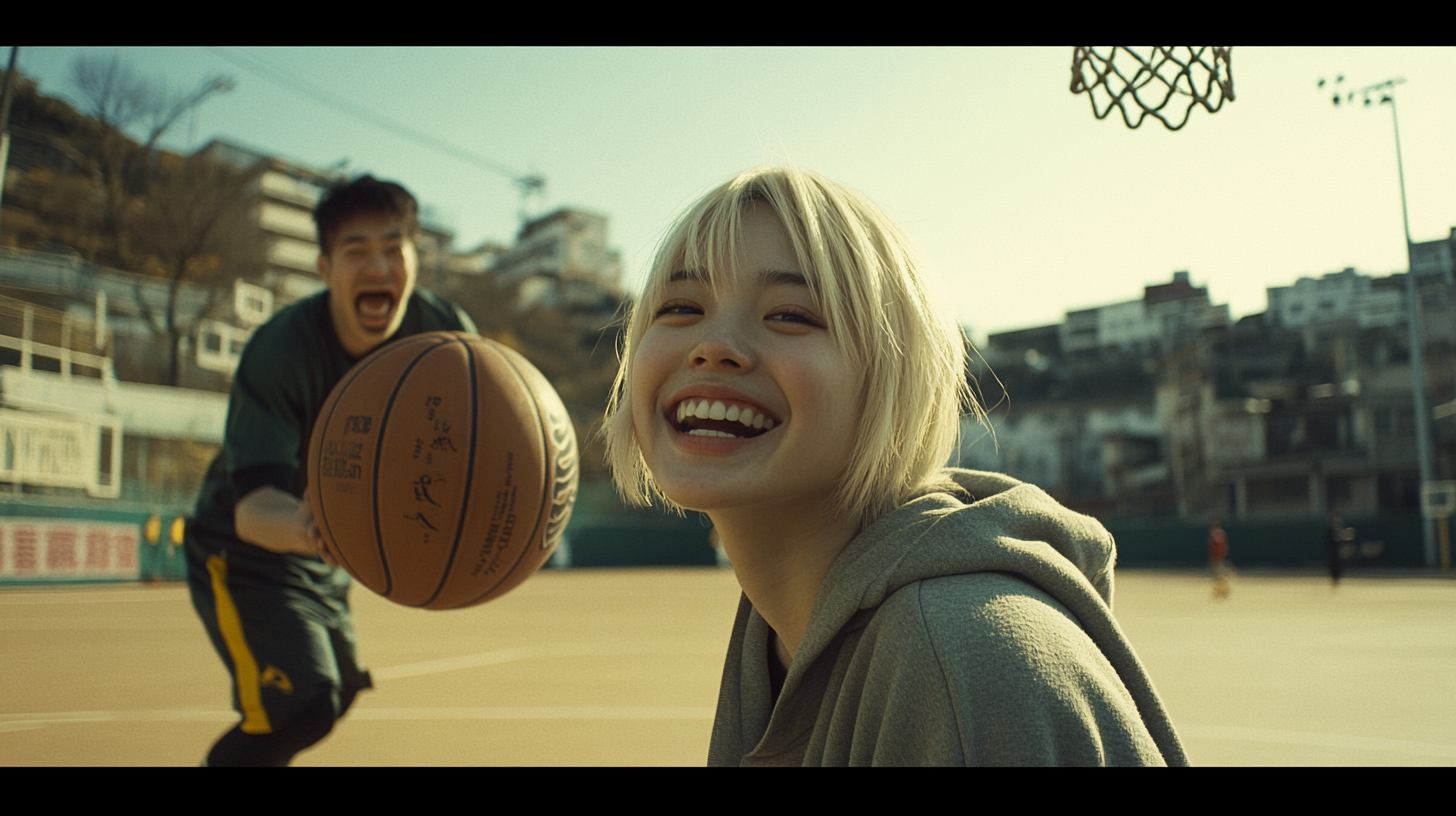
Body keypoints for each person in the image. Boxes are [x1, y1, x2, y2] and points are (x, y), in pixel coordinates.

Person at [603, 165, 1186, 766]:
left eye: (791, 315)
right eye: (678, 306)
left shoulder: (963, 661)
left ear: (893, 379)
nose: (713, 343)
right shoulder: (781, 632)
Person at [186, 176, 476, 766]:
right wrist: (314, 529)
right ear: (324, 267)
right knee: (304, 703)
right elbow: (252, 508)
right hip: (244, 549)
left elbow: (485, 449)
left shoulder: (447, 341)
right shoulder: (282, 351)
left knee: (335, 694)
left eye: (394, 248)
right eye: (356, 251)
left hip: (324, 551)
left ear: (415, 259)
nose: (378, 265)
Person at [1209, 519, 1231, 599]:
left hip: (1217, 558)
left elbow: (1217, 544)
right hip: (1220, 557)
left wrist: (1215, 557)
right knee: (1219, 576)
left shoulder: (1215, 534)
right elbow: (1225, 547)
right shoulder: (1222, 533)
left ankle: (1222, 590)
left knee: (1218, 576)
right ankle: (1221, 590)